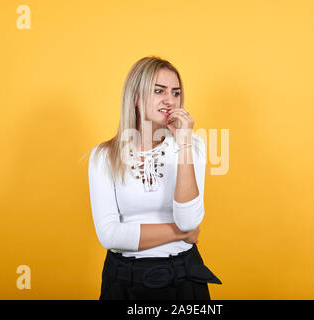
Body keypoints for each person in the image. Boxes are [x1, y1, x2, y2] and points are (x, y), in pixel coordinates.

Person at [87, 56, 222, 300]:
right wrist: (180, 234)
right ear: (136, 98)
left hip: (184, 277)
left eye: (176, 92)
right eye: (159, 91)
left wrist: (183, 143)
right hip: (123, 280)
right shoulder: (103, 156)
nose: (169, 100)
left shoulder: (193, 145)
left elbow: (188, 219)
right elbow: (110, 235)